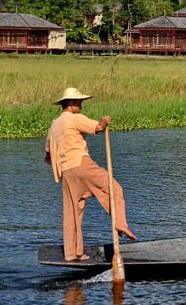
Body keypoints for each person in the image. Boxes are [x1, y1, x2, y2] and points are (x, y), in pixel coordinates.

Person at [46, 87, 137, 262]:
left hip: (67, 171)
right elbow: (99, 127)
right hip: (81, 163)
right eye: (79, 101)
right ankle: (120, 223)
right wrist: (105, 121)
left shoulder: (55, 123)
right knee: (114, 188)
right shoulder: (75, 118)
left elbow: (48, 150)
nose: (81, 104)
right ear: (71, 103)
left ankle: (73, 253)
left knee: (72, 211)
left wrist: (50, 157)